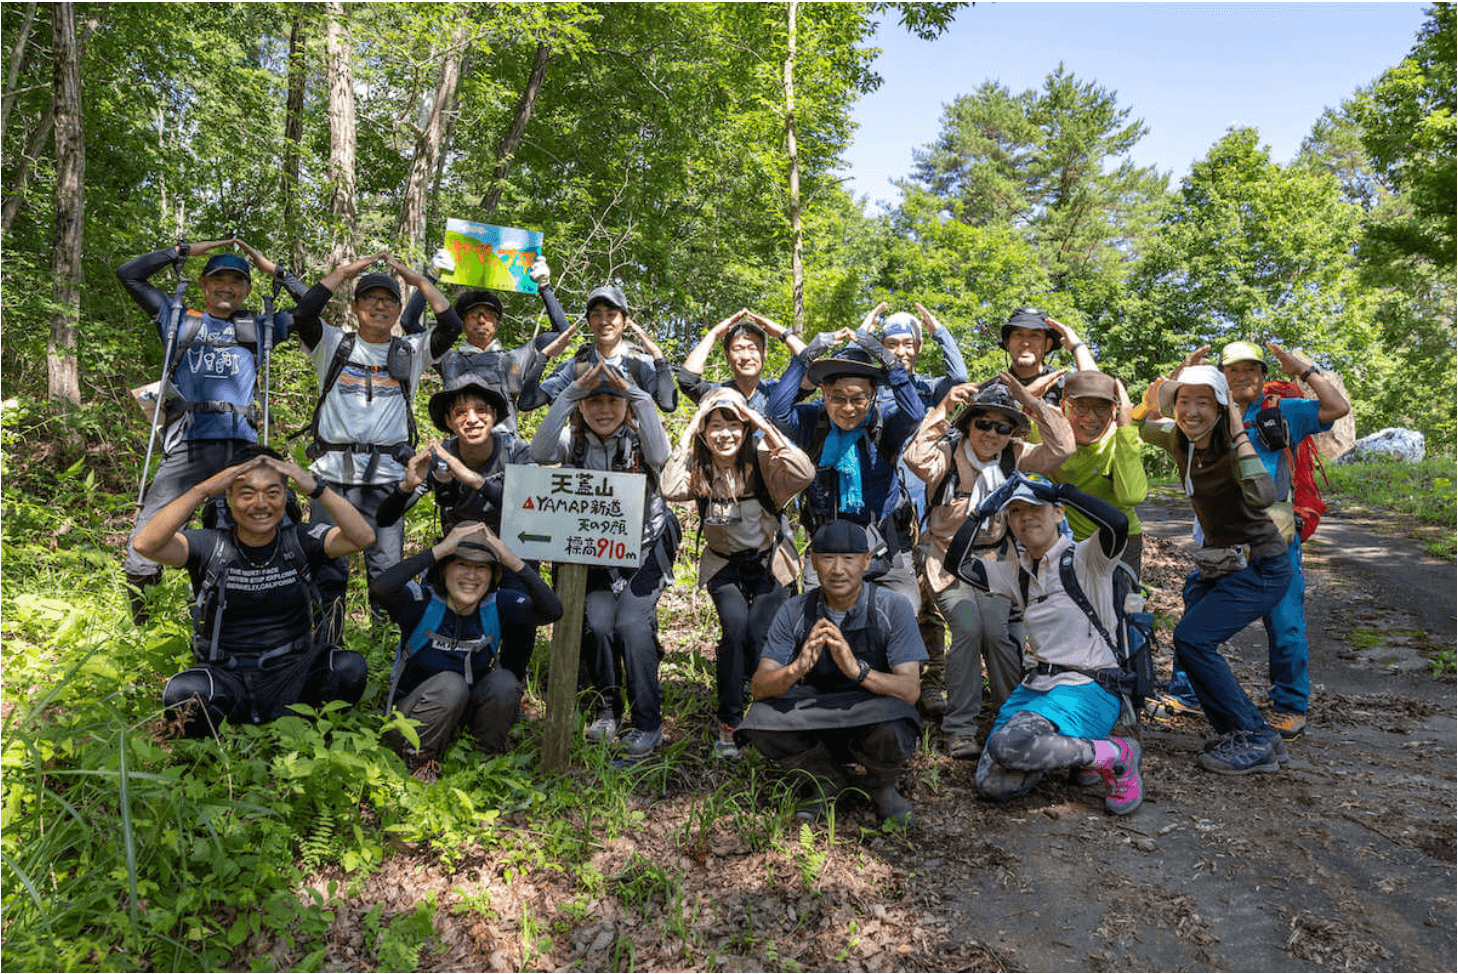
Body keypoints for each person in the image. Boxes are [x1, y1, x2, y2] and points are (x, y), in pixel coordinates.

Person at [117, 238, 309, 622]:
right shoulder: (178, 318)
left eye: (237, 281)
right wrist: (181, 252)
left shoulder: (261, 327)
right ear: (203, 285)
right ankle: (142, 623)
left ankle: (242, 610)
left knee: (260, 524)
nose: (227, 287)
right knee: (152, 525)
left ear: (247, 290)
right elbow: (129, 275)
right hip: (188, 444)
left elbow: (311, 308)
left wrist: (278, 272)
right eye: (218, 279)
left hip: (243, 449)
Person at [131, 448, 376, 737]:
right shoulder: (210, 545)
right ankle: (218, 744)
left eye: (272, 493)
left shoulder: (300, 540)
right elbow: (145, 544)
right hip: (226, 675)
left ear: (285, 497)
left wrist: (316, 488)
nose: (260, 504)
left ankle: (310, 732)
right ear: (229, 498)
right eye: (247, 493)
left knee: (349, 667)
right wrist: (202, 489)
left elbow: (362, 537)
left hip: (294, 672)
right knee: (183, 693)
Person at [944, 472, 1144, 816]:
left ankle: (1116, 754)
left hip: (1088, 688)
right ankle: (1082, 754)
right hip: (1036, 690)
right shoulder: (1016, 572)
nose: (1026, 517)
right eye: (1016, 511)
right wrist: (980, 512)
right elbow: (956, 565)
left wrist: (1062, 491)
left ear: (1058, 513)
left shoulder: (1087, 557)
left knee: (1008, 745)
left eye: (1037, 507)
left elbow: (1117, 524)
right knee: (991, 785)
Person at [903, 376, 1073, 759]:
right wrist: (945, 406)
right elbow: (915, 458)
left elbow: (1063, 448)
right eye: (983, 423)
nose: (992, 434)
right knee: (967, 628)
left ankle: (1013, 718)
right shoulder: (947, 455)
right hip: (947, 560)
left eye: (1003, 427)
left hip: (997, 560)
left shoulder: (1015, 456)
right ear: (969, 423)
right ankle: (959, 728)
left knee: (997, 633)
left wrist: (1032, 402)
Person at [1138, 365, 1294, 774]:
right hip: (1221, 564)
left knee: (1192, 639)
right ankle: (1241, 732)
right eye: (1183, 401)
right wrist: (1159, 394)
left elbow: (1263, 495)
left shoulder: (1232, 445)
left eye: (1203, 402)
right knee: (1191, 645)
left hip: (1261, 565)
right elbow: (1141, 427)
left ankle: (1254, 734)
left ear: (1221, 407)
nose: (1191, 411)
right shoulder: (1180, 439)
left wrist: (1238, 429)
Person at [291, 252, 462, 620]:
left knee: (386, 572)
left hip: (388, 479)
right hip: (332, 476)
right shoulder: (332, 343)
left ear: (399, 310)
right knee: (326, 565)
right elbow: (304, 314)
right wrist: (343, 272)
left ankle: (386, 640)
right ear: (355, 307)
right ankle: (326, 640)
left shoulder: (411, 351)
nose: (379, 306)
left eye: (388, 300)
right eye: (370, 298)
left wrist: (420, 281)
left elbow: (451, 326)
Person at [529, 361, 680, 760]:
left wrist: (635, 392)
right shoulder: (572, 440)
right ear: (581, 406)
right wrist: (569, 393)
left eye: (612, 401)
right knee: (596, 625)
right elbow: (540, 452)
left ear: (626, 404)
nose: (603, 410)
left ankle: (647, 722)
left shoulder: (641, 435)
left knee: (631, 625)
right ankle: (608, 708)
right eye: (593, 401)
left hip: (646, 549)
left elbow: (661, 454)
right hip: (594, 554)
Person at [738, 521, 926, 827]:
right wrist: (797, 667)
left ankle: (881, 785)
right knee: (758, 720)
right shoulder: (795, 610)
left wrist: (858, 671)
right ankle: (824, 778)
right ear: (813, 561)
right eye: (828, 558)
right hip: (817, 711)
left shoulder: (893, 607)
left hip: (871, 710)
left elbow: (910, 690)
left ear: (867, 561)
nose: (838, 569)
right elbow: (760, 687)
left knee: (898, 720)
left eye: (849, 559)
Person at [660, 387, 814, 757]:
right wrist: (690, 428)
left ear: (745, 429)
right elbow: (668, 487)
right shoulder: (700, 466)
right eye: (715, 425)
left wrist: (763, 425)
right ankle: (729, 722)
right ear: (705, 430)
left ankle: (769, 715)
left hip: (769, 563)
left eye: (733, 425)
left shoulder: (763, 462)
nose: (724, 434)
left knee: (761, 635)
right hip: (724, 564)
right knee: (735, 632)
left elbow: (804, 472)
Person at [1216, 340, 1348, 740]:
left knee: (1285, 623)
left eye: (1251, 370)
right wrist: (1182, 375)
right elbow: (1151, 417)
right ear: (1222, 377)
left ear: (1262, 375)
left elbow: (1337, 409)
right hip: (1222, 529)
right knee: (1200, 613)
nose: (1242, 377)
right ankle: (1188, 692)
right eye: (1233, 371)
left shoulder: (1283, 410)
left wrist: (1303, 370)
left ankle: (1290, 706)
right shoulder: (1209, 411)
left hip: (1276, 529)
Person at [370, 522, 563, 781]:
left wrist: (512, 560)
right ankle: (418, 762)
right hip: (409, 722)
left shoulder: (498, 605)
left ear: (493, 576)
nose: (471, 576)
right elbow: (380, 589)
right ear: (444, 570)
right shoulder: (420, 602)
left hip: (462, 717)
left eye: (481, 567)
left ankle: (482, 760)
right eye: (461, 564)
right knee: (451, 684)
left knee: (505, 682)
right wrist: (438, 550)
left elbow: (553, 611)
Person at [765, 330, 926, 613]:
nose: (848, 409)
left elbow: (914, 415)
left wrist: (888, 360)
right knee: (821, 623)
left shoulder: (884, 425)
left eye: (858, 398)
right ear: (824, 393)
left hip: (884, 544)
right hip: (828, 544)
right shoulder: (813, 423)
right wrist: (806, 357)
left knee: (904, 615)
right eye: (838, 398)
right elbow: (777, 413)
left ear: (872, 395)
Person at [402, 255, 566, 436]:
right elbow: (409, 323)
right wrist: (430, 278)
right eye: (474, 315)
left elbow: (563, 334)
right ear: (462, 322)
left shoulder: (516, 358)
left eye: (488, 315)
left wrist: (545, 287)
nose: (481, 320)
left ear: (497, 323)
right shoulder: (448, 359)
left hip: (505, 444)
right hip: (461, 444)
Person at [374, 374, 531, 537]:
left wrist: (475, 480)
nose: (472, 419)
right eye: (460, 412)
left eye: (481, 410)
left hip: (512, 543)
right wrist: (407, 486)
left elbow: (530, 512)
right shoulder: (439, 459)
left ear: (494, 415)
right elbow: (384, 520)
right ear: (448, 421)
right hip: (462, 546)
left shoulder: (516, 453)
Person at [1048, 370, 1150, 577]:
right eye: (1081, 407)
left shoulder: (1123, 439)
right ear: (1064, 407)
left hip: (1119, 539)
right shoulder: (1046, 433)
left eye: (1102, 408)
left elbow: (1132, 496)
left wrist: (1126, 427)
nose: (1091, 418)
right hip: (1068, 540)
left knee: (1121, 597)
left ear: (1114, 411)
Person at [518, 284, 676, 413]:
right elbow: (527, 403)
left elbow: (668, 404)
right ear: (589, 323)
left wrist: (658, 357)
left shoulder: (640, 364)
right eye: (596, 315)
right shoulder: (577, 367)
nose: (604, 321)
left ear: (625, 321)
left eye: (611, 314)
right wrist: (543, 357)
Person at [677, 309, 808, 413]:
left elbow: (814, 370)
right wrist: (713, 334)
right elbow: (687, 380)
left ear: (764, 353)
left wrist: (783, 333)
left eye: (753, 348)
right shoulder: (717, 394)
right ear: (727, 356)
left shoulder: (778, 392)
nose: (746, 356)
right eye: (738, 349)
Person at [998, 306, 1096, 404]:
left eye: (1035, 336)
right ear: (1007, 344)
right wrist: (1026, 397)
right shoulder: (994, 389)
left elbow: (1097, 392)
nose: (1025, 343)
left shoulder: (1063, 384)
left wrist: (1078, 346)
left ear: (1048, 345)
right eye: (1018, 335)